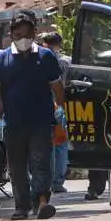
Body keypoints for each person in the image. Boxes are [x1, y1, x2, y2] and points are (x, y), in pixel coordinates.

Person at [0, 11, 65, 220]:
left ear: (35, 33)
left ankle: (42, 202)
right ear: (11, 35)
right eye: (18, 35)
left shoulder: (46, 57)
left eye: (27, 34)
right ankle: (21, 206)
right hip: (14, 123)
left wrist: (61, 107)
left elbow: (57, 86)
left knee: (41, 163)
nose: (22, 39)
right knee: (16, 168)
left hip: (41, 121)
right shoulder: (1, 59)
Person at [38, 31, 71, 193]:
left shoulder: (40, 59)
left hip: (44, 105)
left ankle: (48, 181)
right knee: (61, 145)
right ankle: (58, 182)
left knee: (48, 146)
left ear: (45, 43)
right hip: (62, 106)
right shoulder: (67, 62)